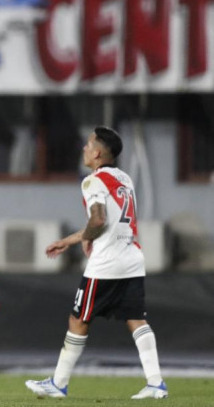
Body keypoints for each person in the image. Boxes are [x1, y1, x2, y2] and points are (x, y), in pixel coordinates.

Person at [25, 126, 167, 400]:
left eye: (89, 145)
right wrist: (74, 239)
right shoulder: (124, 178)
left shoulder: (92, 181)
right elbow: (106, 222)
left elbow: (99, 219)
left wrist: (84, 238)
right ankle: (156, 384)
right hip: (132, 258)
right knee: (136, 319)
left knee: (78, 319)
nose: (84, 149)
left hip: (106, 262)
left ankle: (58, 383)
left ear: (98, 152)